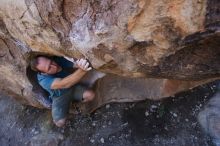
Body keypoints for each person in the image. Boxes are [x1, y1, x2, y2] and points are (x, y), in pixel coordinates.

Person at [30, 55, 95, 127]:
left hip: (72, 88)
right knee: (59, 123)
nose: (54, 66)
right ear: (44, 73)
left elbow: (75, 63)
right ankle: (68, 106)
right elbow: (64, 84)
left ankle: (76, 103)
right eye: (49, 68)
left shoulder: (57, 61)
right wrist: (83, 70)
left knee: (91, 95)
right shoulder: (43, 80)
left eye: (51, 62)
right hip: (60, 96)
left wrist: (81, 63)